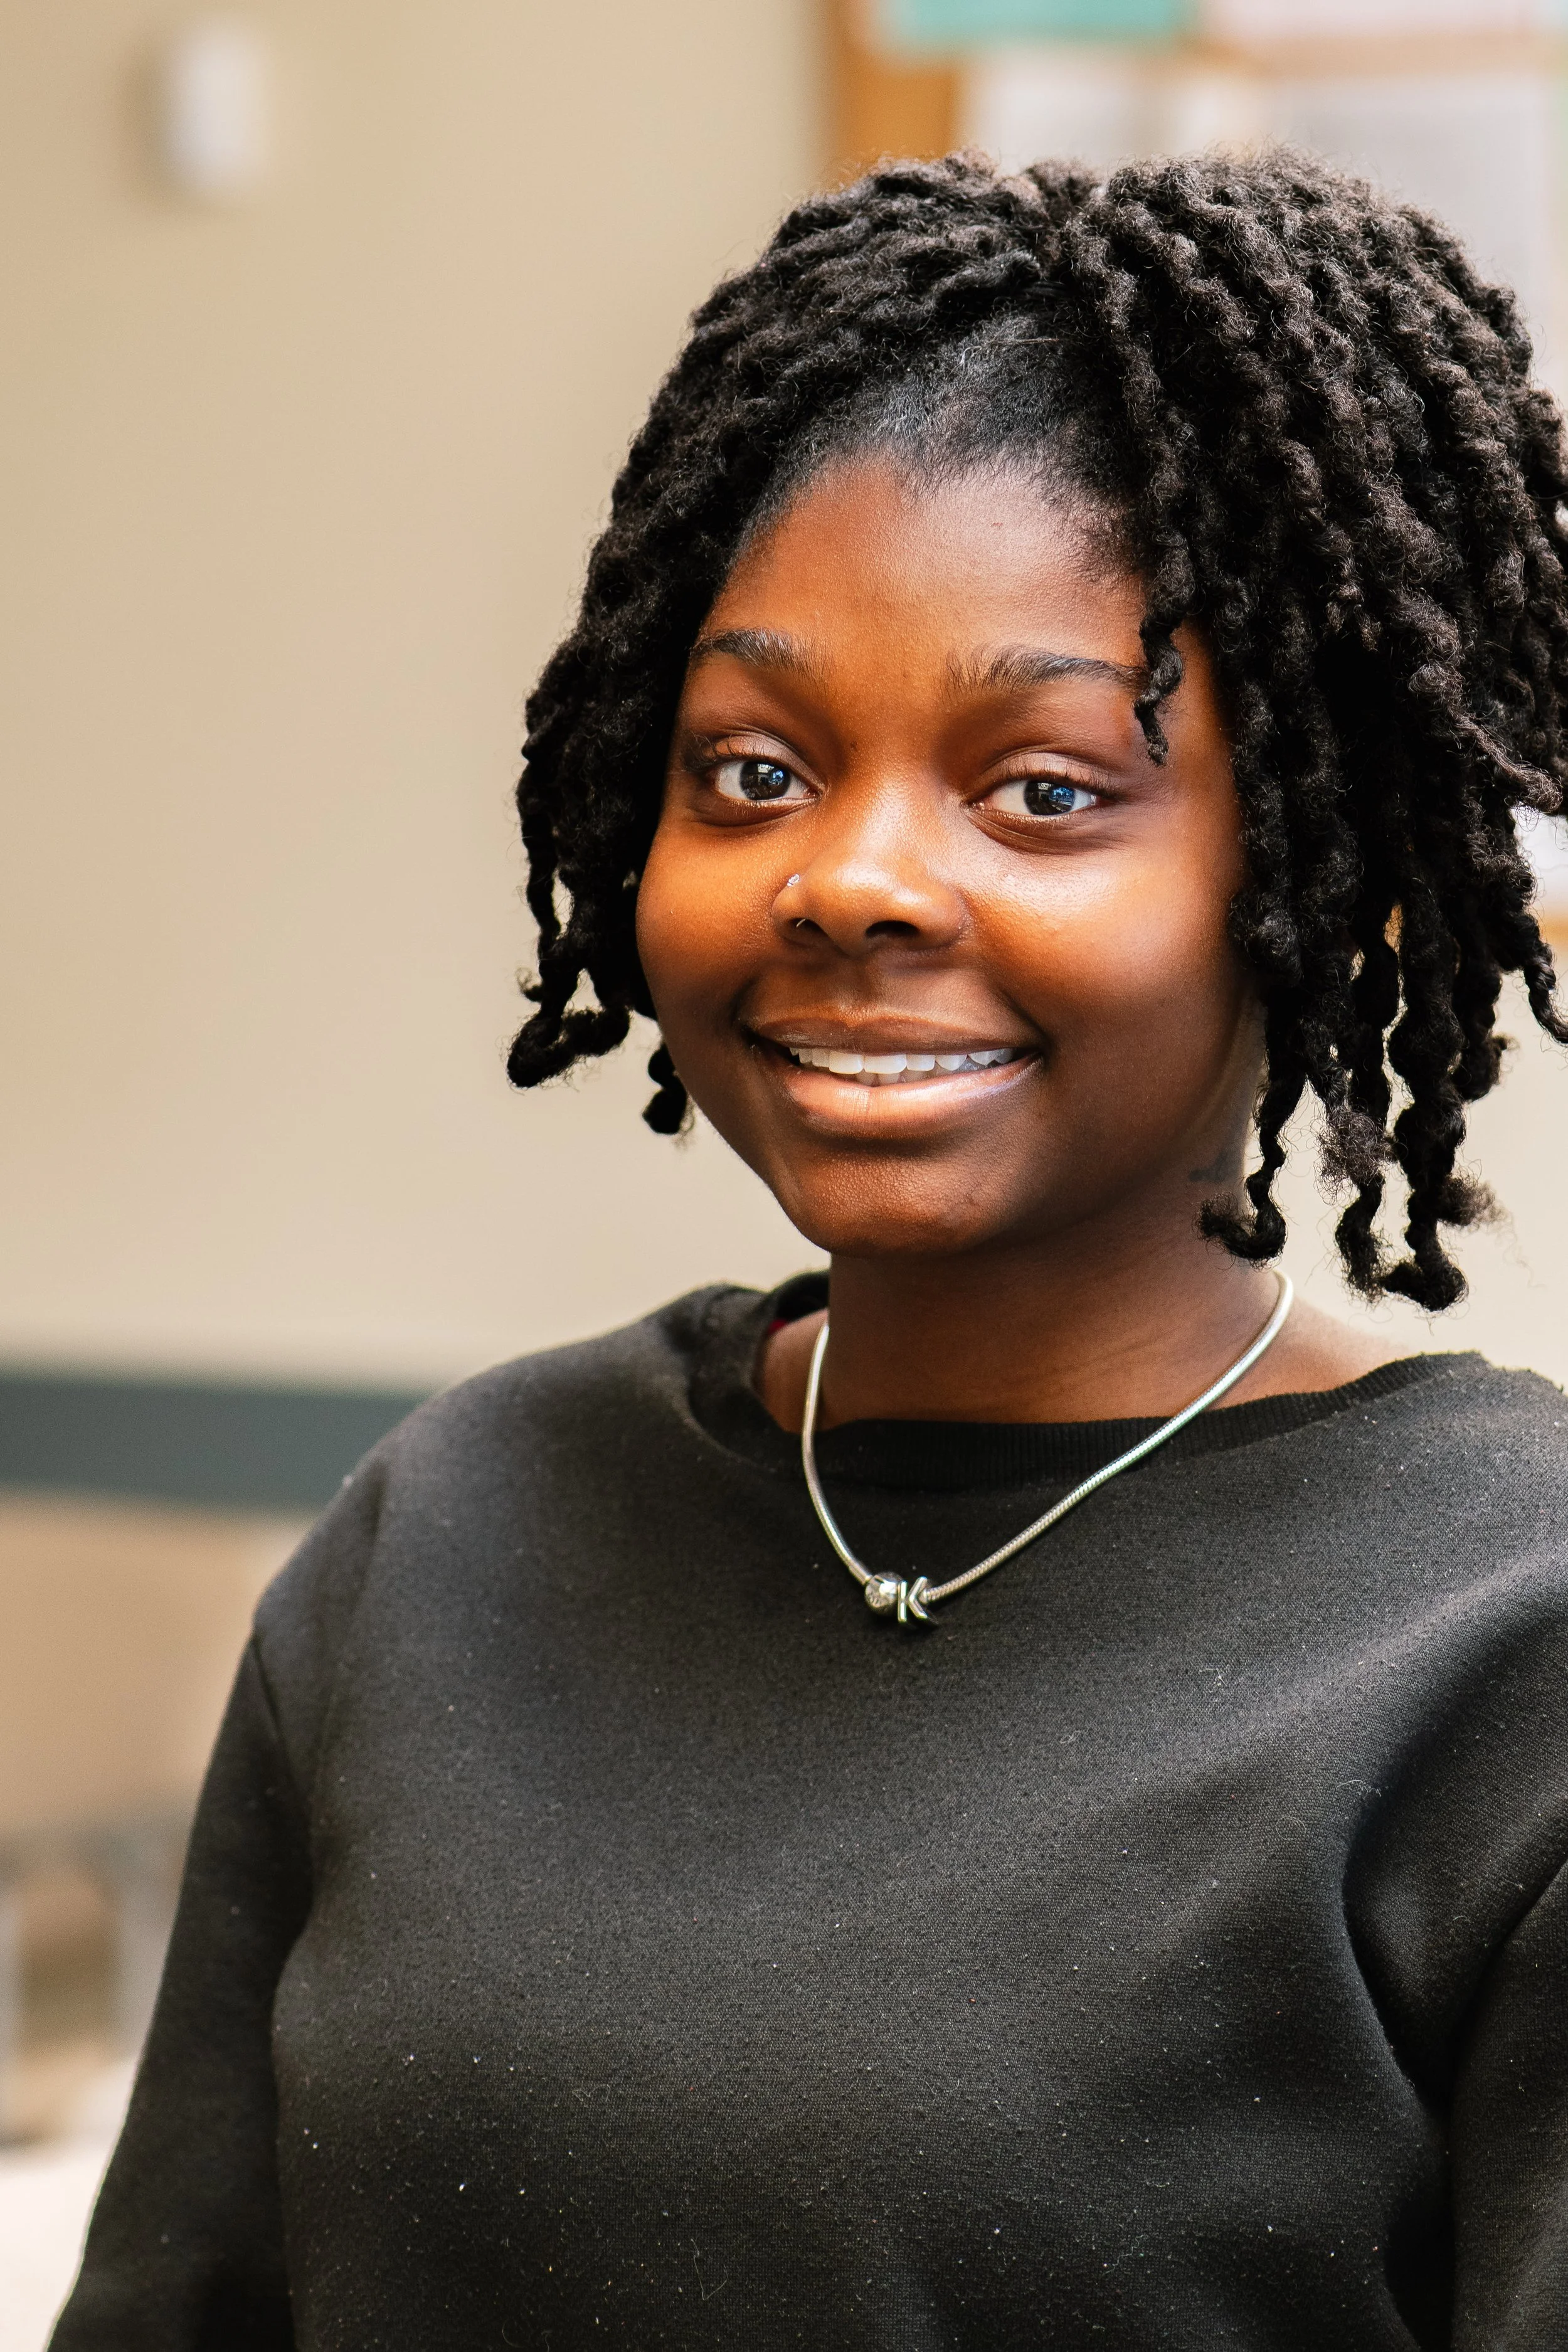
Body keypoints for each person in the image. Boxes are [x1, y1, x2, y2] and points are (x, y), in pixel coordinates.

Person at [53, 149, 1568, 2350]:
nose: (850, 879)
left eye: (1040, 787)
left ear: (1340, 890)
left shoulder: (1502, 1645)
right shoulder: (447, 1538)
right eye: (750, 769)